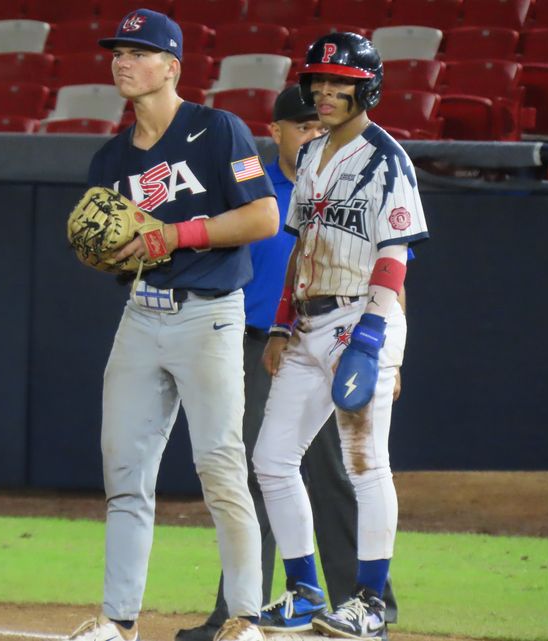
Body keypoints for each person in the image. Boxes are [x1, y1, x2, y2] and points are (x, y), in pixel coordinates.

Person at [67, 9, 279, 641]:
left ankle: (246, 618)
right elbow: (121, 252)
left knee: (220, 466)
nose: (122, 61)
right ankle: (119, 622)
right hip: (141, 316)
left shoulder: (217, 131)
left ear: (172, 66)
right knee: (125, 474)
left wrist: (173, 235)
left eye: (137, 51)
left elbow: (264, 216)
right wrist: (112, 251)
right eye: (117, 51)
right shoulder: (109, 160)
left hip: (210, 316)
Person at [252, 32, 429, 640]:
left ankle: (371, 603)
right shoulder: (311, 153)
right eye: (319, 83)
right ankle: (304, 590)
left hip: (363, 315)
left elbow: (395, 252)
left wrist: (374, 335)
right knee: (272, 460)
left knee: (365, 464)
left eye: (339, 85)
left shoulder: (387, 158)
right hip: (306, 322)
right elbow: (300, 246)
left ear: (366, 90)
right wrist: (280, 324)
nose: (325, 93)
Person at [175, 84, 326, 641]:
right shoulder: (250, 185)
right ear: (277, 130)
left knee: (335, 477)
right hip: (258, 343)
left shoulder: (342, 183)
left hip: (328, 342)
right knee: (257, 474)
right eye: (302, 125)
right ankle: (241, 613)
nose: (313, 133)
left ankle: (362, 605)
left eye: (320, 124)